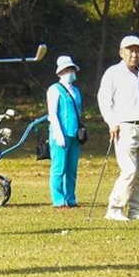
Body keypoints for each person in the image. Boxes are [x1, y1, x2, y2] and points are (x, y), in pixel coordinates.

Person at [96, 34, 139, 221]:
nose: (134, 54)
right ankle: (114, 209)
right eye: (130, 50)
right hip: (125, 127)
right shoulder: (113, 73)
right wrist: (112, 122)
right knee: (129, 170)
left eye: (138, 50)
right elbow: (104, 99)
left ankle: (137, 209)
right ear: (121, 52)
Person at [47, 55, 84, 208]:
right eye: (67, 70)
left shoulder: (76, 90)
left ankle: (71, 198)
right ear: (60, 72)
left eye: (72, 69)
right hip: (60, 134)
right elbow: (53, 113)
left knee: (71, 169)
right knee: (59, 167)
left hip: (74, 134)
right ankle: (58, 200)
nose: (70, 73)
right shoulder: (54, 89)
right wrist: (58, 134)